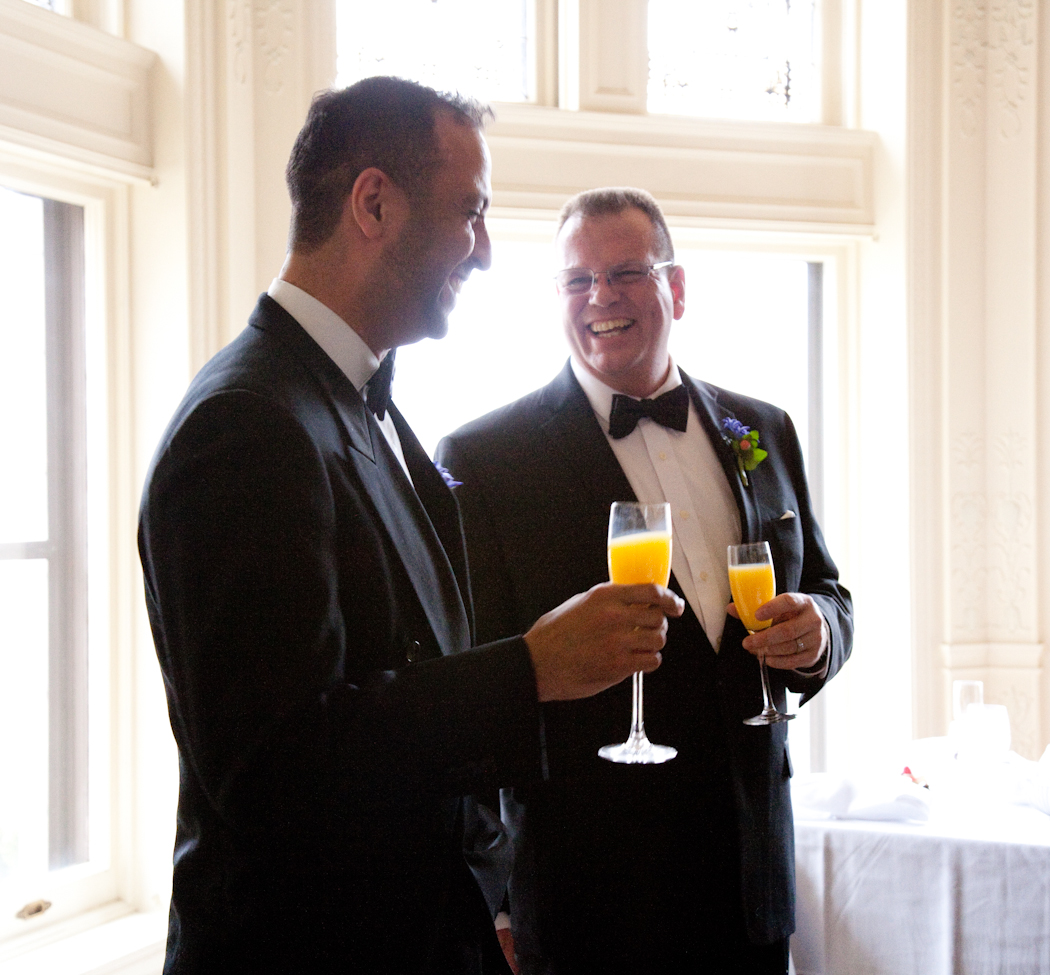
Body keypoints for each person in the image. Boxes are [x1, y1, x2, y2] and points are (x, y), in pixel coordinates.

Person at [138, 85, 684, 975]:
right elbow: (277, 768)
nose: (486, 251)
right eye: (471, 214)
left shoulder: (352, 400)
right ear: (374, 203)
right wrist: (532, 668)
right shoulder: (247, 424)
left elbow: (403, 676)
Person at [436, 187, 854, 975]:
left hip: (750, 881)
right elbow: (473, 686)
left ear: (678, 287)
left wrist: (821, 630)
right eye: (576, 280)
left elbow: (832, 589)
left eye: (626, 272)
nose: (601, 298)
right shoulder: (486, 460)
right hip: (591, 898)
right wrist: (493, 894)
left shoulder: (760, 429)